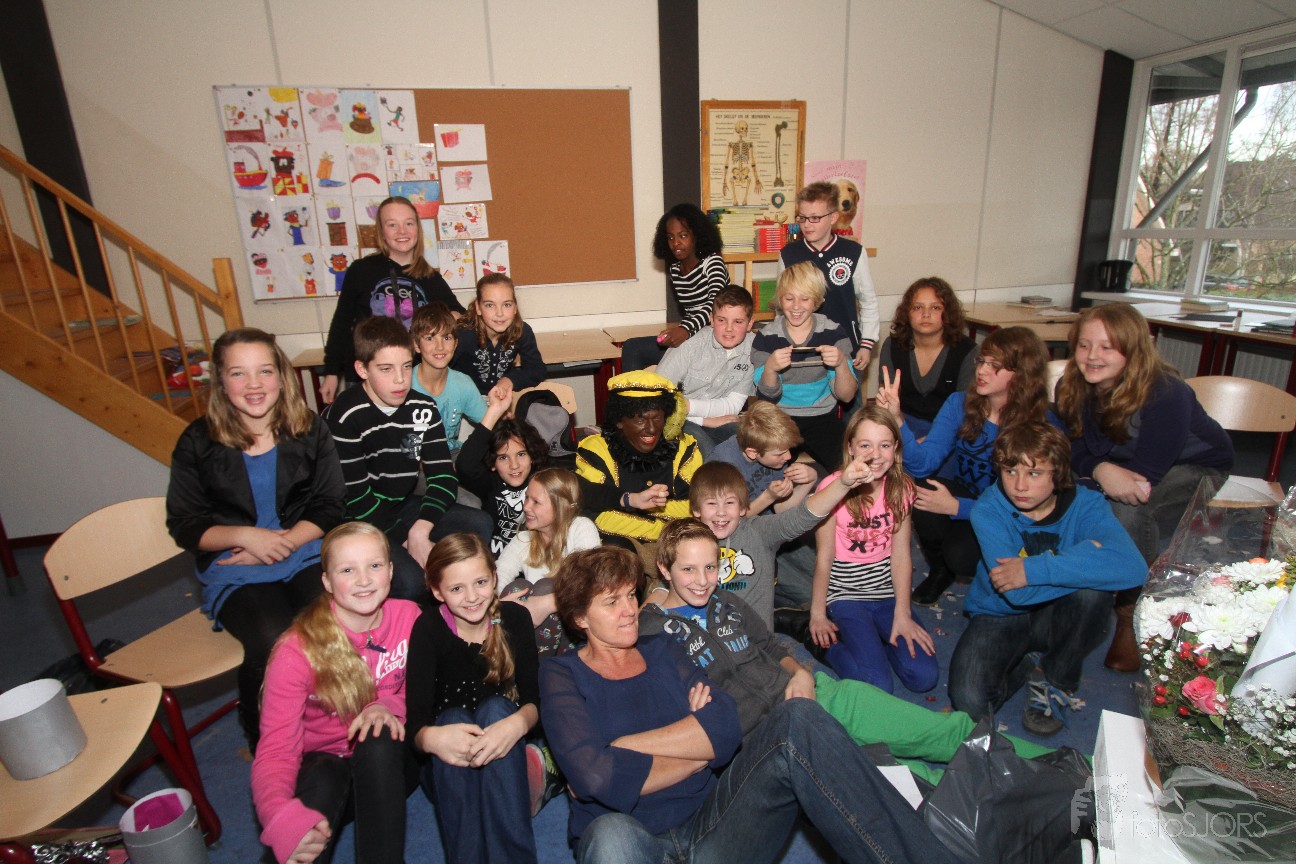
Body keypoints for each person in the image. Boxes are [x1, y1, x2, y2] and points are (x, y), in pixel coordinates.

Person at [541, 545, 956, 864]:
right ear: (579, 618)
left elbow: (725, 727)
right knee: (609, 834)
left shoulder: (663, 647)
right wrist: (695, 751)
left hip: (714, 822)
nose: (630, 610)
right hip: (630, 835)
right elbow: (594, 776)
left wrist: (619, 748)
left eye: (631, 595)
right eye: (611, 602)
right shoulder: (561, 674)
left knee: (797, 716)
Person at [641, 519, 1054, 778]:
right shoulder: (652, 632)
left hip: (819, 693)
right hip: (781, 735)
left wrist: (800, 672)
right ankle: (1041, 805)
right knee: (913, 782)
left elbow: (768, 643)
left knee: (947, 732)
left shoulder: (727, 601)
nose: (702, 580)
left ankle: (1077, 772)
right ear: (664, 569)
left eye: (710, 567)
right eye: (688, 569)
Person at [166, 327, 346, 748]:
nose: (254, 385)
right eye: (238, 373)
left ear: (281, 376)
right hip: (235, 564)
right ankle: (262, 734)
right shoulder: (197, 441)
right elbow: (186, 525)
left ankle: (331, 722)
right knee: (274, 639)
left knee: (335, 621)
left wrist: (281, 543)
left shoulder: (310, 429)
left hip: (303, 549)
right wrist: (248, 537)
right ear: (220, 381)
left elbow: (329, 505)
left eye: (264, 371)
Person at [1054, 302, 1233, 672]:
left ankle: (1131, 608)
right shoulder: (1071, 385)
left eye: (1107, 347)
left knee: (1127, 507)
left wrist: (1097, 475)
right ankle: (1071, 586)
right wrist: (1100, 469)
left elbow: (1143, 477)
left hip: (1195, 466)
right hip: (1116, 463)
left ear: (1133, 350)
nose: (1092, 356)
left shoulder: (1167, 392)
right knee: (1054, 486)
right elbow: (1071, 445)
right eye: (1084, 345)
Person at [950, 423, 1146, 734]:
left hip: (1063, 613)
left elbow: (1134, 569)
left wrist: (1030, 570)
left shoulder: (1087, 504)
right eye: (1010, 471)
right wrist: (1087, 556)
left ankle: (1057, 679)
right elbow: (1016, 594)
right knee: (971, 705)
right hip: (1000, 613)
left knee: (1091, 595)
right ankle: (1030, 661)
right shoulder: (988, 509)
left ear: (1058, 473)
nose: (1019, 485)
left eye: (1034, 473)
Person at [252, 522, 419, 864]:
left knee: (378, 734)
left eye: (374, 565)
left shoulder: (410, 617)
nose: (364, 580)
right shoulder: (296, 650)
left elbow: (425, 690)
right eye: (347, 570)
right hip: (324, 766)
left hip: (389, 768)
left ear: (391, 571)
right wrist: (279, 815)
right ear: (327, 581)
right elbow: (276, 749)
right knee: (320, 786)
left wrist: (387, 705)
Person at [875, 326, 1054, 606]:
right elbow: (924, 464)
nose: (981, 371)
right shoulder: (959, 403)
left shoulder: (1041, 422)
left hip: (1011, 513)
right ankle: (940, 569)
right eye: (981, 361)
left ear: (1022, 373)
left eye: (995, 366)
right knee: (918, 488)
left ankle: (999, 570)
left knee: (962, 556)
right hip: (969, 496)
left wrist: (957, 507)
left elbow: (1030, 506)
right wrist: (897, 419)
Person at [323, 316, 491, 601]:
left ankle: (462, 596)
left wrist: (420, 530)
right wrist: (404, 537)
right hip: (360, 520)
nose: (400, 379)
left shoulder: (422, 407)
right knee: (412, 582)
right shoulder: (345, 415)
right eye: (385, 369)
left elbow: (443, 477)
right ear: (362, 369)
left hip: (401, 505)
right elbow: (357, 498)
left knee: (480, 524)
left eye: (405, 366)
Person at [406, 534, 541, 863]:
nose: (471, 597)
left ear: (494, 578)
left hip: (503, 749)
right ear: (437, 591)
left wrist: (517, 724)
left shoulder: (515, 619)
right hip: (447, 764)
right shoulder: (427, 628)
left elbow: (535, 701)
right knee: (452, 719)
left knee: (497, 709)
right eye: (456, 588)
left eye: (480, 582)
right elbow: (415, 725)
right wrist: (432, 738)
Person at [808, 406, 937, 694]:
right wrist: (817, 614)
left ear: (896, 449)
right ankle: (828, 648)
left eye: (885, 445)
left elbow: (901, 555)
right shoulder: (832, 488)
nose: (875, 455)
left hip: (886, 593)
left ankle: (876, 641)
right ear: (851, 448)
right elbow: (824, 557)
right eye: (865, 445)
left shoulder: (902, 488)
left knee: (924, 677)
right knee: (878, 686)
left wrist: (903, 612)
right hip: (846, 595)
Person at [678, 458, 871, 629]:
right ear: (696, 509)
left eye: (729, 503)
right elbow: (668, 594)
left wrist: (843, 484)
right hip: (709, 643)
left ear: (743, 507)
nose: (721, 512)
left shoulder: (759, 532)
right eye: (711, 504)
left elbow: (803, 516)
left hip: (757, 645)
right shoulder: (686, 543)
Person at [319, 196, 463, 404]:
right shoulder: (361, 270)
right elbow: (341, 323)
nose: (402, 231)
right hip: (367, 378)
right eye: (392, 225)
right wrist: (331, 372)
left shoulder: (430, 277)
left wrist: (445, 323)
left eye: (408, 223)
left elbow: (459, 315)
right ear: (381, 232)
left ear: (417, 229)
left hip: (412, 379)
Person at [750, 261, 858, 471]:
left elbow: (846, 396)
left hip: (822, 417)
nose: (796, 306)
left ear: (817, 301)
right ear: (780, 299)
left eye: (805, 299)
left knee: (848, 469)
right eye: (789, 298)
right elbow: (767, 397)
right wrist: (770, 368)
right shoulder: (766, 337)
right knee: (762, 472)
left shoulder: (833, 333)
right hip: (780, 419)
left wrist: (841, 364)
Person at [574, 370, 703, 546]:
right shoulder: (596, 450)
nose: (651, 429)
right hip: (626, 547)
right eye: (640, 420)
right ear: (620, 421)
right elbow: (598, 516)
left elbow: (695, 507)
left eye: (657, 418)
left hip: (678, 545)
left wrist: (635, 506)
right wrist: (659, 525)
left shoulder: (684, 448)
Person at [778, 181, 880, 374]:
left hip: (845, 348)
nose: (807, 224)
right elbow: (782, 306)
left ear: (833, 217)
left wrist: (867, 344)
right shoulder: (788, 254)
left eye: (815, 218)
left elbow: (868, 301)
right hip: (803, 351)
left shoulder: (853, 252)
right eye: (802, 217)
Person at [496, 468, 600, 652]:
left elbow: (592, 584)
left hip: (578, 625)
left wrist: (547, 604)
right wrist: (501, 604)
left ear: (560, 506)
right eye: (527, 498)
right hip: (537, 634)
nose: (526, 507)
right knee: (517, 588)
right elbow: (499, 574)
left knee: (547, 586)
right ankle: (526, 662)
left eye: (536, 502)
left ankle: (544, 664)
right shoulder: (524, 539)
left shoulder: (581, 528)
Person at [621, 202, 728, 372]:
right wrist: (673, 334)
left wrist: (685, 330)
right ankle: (631, 392)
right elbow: (691, 312)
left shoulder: (712, 263)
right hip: (692, 334)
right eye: (670, 237)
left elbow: (715, 306)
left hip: (714, 338)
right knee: (632, 347)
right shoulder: (675, 270)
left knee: (650, 358)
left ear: (697, 235)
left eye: (683, 236)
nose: (676, 243)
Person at [654, 284, 756, 457]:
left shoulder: (753, 349)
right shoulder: (690, 345)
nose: (729, 328)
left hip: (720, 418)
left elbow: (733, 405)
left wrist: (690, 408)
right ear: (711, 319)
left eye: (738, 322)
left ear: (750, 324)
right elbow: (657, 399)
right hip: (676, 419)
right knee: (707, 453)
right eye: (721, 320)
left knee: (751, 444)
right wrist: (704, 421)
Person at [877, 277, 977, 439]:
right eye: (917, 307)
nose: (926, 314)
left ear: (948, 313)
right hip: (901, 425)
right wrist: (906, 438)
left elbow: (965, 413)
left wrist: (928, 442)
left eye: (936, 308)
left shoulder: (966, 351)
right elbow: (887, 405)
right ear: (907, 313)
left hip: (950, 431)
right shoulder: (892, 346)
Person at [457, 389, 550, 557]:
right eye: (503, 458)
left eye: (521, 454)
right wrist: (493, 412)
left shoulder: (542, 479)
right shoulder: (490, 483)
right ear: (492, 463)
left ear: (532, 455)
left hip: (534, 559)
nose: (514, 465)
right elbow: (465, 464)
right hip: (496, 561)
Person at [710, 401, 818, 516]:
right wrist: (769, 497)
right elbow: (729, 518)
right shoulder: (723, 466)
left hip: (765, 519)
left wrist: (809, 481)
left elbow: (781, 509)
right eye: (780, 454)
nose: (788, 457)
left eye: (788, 449)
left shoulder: (775, 454)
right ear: (752, 453)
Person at [452, 273, 545, 400]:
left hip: (500, 399)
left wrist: (509, 380)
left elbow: (537, 369)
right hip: (464, 400)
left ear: (515, 307)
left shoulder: (522, 331)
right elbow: (440, 372)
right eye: (490, 305)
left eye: (507, 305)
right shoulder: (463, 334)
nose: (499, 313)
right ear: (478, 308)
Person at [409, 302, 486, 455]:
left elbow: (490, 424)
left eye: (446, 337)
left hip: (451, 453)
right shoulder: (403, 385)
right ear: (416, 345)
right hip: (413, 458)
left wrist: (499, 412)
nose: (440, 346)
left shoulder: (462, 384)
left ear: (455, 344)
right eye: (430, 338)